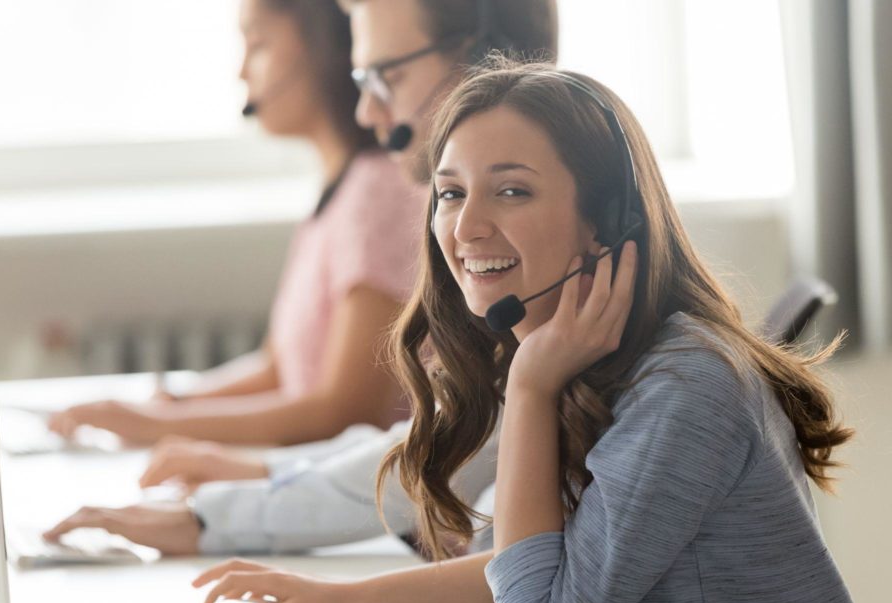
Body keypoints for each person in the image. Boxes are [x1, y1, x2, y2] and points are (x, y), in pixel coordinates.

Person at [188, 61, 881, 603]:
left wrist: (529, 388)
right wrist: (336, 600)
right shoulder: (592, 359)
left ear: (604, 222)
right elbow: (535, 565)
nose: (465, 228)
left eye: (512, 191)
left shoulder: (683, 387)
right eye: (451, 192)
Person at [44, 0, 558, 556]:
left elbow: (363, 420)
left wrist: (214, 504)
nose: (367, 110)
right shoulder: (471, 252)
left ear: (486, 68)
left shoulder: (447, 231)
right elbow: (431, 445)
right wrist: (230, 461)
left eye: (389, 75)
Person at [46, 0, 423, 449]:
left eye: (259, 44)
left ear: (325, 50)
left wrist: (156, 428)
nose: (242, 72)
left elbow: (344, 412)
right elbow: (279, 368)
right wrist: (171, 406)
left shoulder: (377, 193)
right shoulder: (340, 192)